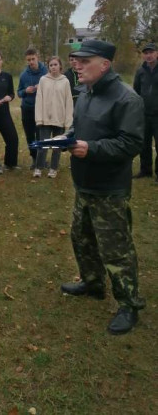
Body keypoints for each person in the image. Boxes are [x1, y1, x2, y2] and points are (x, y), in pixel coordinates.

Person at [60, 39, 145, 335]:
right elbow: (81, 127)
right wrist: (68, 138)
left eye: (84, 61)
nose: (77, 65)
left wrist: (92, 148)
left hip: (109, 189)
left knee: (116, 250)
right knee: (81, 238)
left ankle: (129, 304)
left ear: (104, 65)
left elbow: (132, 142)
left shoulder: (127, 99)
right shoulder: (85, 93)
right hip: (84, 184)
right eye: (76, 60)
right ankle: (93, 283)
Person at [33, 56, 73, 178]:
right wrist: (39, 119)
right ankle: (38, 168)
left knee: (56, 147)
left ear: (60, 66)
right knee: (43, 146)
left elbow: (68, 103)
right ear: (48, 67)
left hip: (59, 120)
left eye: (55, 64)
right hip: (45, 119)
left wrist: (68, 123)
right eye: (51, 65)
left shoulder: (65, 82)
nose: (53, 67)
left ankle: (53, 168)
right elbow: (39, 100)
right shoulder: (43, 80)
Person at [17, 48, 48, 168]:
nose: (31, 62)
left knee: (41, 135)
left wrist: (42, 86)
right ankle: (34, 159)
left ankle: (42, 159)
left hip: (42, 108)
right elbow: (19, 93)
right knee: (30, 135)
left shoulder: (45, 72)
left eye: (33, 59)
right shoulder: (24, 75)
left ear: (37, 57)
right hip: (27, 109)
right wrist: (26, 90)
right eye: (28, 60)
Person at [133, 42, 158, 181]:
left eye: (151, 52)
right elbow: (136, 91)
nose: (148, 55)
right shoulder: (140, 71)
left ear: (156, 53)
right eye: (146, 53)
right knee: (144, 144)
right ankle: (145, 170)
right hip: (144, 114)